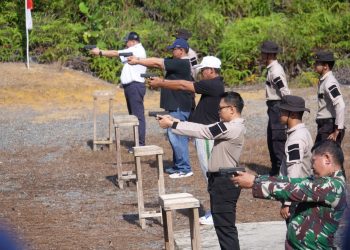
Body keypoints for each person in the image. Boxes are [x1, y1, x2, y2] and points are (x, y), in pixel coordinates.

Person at [157, 92, 246, 250]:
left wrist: (173, 125)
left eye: (221, 108)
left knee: (225, 229)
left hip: (225, 181)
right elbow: (204, 128)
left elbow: (204, 132)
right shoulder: (230, 126)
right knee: (223, 228)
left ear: (232, 109)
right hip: (221, 181)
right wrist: (176, 121)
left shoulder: (232, 127)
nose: (219, 112)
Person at [148, 56, 225, 224]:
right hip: (205, 133)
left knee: (210, 174)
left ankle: (216, 214)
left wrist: (161, 83)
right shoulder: (216, 84)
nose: (201, 74)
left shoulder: (212, 84)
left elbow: (184, 85)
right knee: (211, 174)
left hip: (206, 136)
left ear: (210, 70)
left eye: (203, 70)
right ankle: (218, 212)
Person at [232, 140, 347, 250]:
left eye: (313, 161)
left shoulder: (334, 186)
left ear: (327, 159)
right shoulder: (323, 181)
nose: (311, 167)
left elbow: (292, 190)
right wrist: (257, 178)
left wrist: (254, 183)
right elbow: (289, 181)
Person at [128, 38, 194, 178]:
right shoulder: (180, 63)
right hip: (176, 105)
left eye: (174, 49)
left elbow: (157, 62)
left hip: (179, 106)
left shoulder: (181, 63)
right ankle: (178, 165)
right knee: (174, 136)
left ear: (181, 50)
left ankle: (184, 168)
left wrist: (137, 60)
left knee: (177, 136)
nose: (171, 51)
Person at [90, 31, 147, 151]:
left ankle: (140, 144)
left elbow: (116, 53)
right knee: (135, 116)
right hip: (132, 86)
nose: (126, 44)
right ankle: (138, 142)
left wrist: (100, 52)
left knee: (138, 116)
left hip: (135, 86)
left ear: (133, 41)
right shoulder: (135, 50)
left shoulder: (136, 50)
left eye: (127, 42)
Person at [277, 95, 313, 223]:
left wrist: (287, 202)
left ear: (292, 113)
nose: (279, 114)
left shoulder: (296, 139)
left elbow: (294, 172)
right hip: (300, 194)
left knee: (296, 240)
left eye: (282, 111)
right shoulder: (302, 132)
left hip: (296, 198)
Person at [260, 40, 291, 176]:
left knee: (277, 139)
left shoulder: (276, 71)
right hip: (273, 107)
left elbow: (285, 91)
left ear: (268, 55)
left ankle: (281, 171)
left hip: (278, 107)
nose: (261, 55)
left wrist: (289, 110)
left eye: (263, 53)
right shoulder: (271, 69)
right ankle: (275, 169)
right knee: (271, 138)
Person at [314, 51, 346, 145]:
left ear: (325, 66)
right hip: (325, 126)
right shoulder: (324, 80)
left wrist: (337, 129)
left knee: (326, 157)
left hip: (328, 127)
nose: (314, 65)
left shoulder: (329, 82)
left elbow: (340, 104)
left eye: (317, 63)